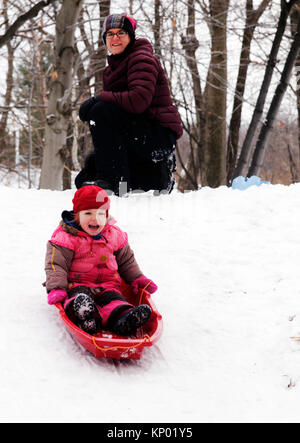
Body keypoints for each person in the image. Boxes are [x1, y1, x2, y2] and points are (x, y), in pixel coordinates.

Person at [75, 12, 183, 195]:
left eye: (121, 33)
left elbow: (138, 101)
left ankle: (116, 183)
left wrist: (98, 98)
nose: (115, 38)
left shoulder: (141, 59)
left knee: (101, 110)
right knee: (86, 176)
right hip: (137, 134)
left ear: (131, 37)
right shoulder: (114, 67)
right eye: (110, 34)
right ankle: (126, 181)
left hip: (157, 136)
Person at [44, 185, 158, 336]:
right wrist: (57, 288)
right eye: (88, 213)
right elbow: (56, 265)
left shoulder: (114, 235)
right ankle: (88, 319)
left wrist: (137, 278)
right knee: (78, 300)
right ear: (77, 215)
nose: (95, 218)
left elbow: (127, 261)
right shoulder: (66, 237)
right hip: (77, 285)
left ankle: (124, 319)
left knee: (116, 302)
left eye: (100, 213)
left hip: (108, 286)